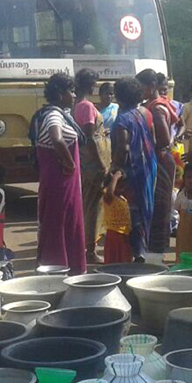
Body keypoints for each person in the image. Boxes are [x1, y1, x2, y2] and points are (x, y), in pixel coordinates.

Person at [29, 73, 86, 274]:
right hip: (59, 182)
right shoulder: (54, 115)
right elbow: (57, 138)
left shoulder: (59, 114)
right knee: (59, 224)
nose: (73, 95)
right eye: (70, 91)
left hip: (61, 181)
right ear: (61, 94)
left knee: (66, 223)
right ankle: (58, 271)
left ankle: (68, 269)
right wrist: (70, 164)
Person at [110, 77, 157, 262]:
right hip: (147, 168)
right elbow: (152, 140)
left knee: (130, 213)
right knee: (144, 209)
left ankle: (134, 253)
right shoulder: (143, 113)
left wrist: (115, 168)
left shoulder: (122, 120)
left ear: (118, 97)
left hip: (132, 172)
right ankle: (141, 248)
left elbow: (123, 147)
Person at [137, 69, 177, 256]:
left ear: (151, 86)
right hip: (163, 158)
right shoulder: (160, 104)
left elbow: (163, 138)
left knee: (159, 206)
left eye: (141, 87)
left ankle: (156, 252)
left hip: (160, 160)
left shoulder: (156, 108)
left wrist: (152, 146)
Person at [74, 68, 110, 263]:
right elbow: (89, 136)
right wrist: (101, 163)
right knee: (92, 208)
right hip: (91, 164)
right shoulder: (86, 106)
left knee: (86, 205)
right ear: (91, 85)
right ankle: (90, 250)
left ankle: (85, 246)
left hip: (84, 163)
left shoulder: (75, 104)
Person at [102, 170, 133, 264]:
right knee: (113, 261)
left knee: (124, 262)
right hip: (114, 234)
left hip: (124, 235)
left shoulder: (123, 199)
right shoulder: (109, 199)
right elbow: (109, 192)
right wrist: (115, 177)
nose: (123, 188)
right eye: (120, 186)